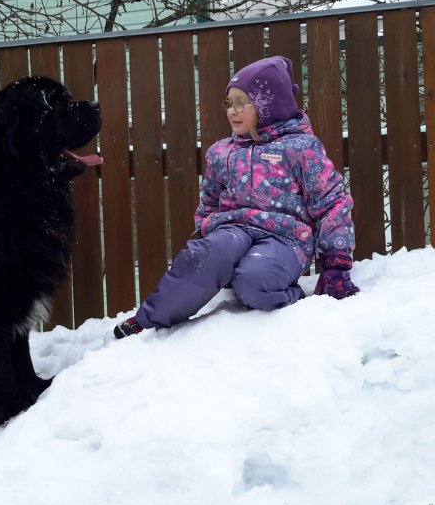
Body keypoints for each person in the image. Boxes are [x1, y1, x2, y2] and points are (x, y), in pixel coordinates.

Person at [114, 55, 359, 339]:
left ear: (270, 104)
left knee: (253, 280)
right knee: (201, 259)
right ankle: (148, 318)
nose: (233, 111)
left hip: (285, 239)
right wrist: (207, 226)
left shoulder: (300, 148)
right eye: (229, 103)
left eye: (242, 102)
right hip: (232, 230)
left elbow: (332, 203)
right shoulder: (221, 152)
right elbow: (209, 198)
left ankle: (290, 296)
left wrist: (335, 265)